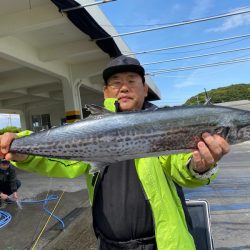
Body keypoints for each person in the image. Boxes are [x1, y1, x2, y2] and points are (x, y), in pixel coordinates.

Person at [0, 55, 230, 250]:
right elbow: (66, 164)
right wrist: (21, 147)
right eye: (115, 82)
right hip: (108, 244)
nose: (124, 87)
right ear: (106, 92)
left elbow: (182, 167)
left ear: (145, 88)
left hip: (162, 243)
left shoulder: (166, 123)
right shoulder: (90, 127)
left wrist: (200, 165)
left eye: (132, 80)